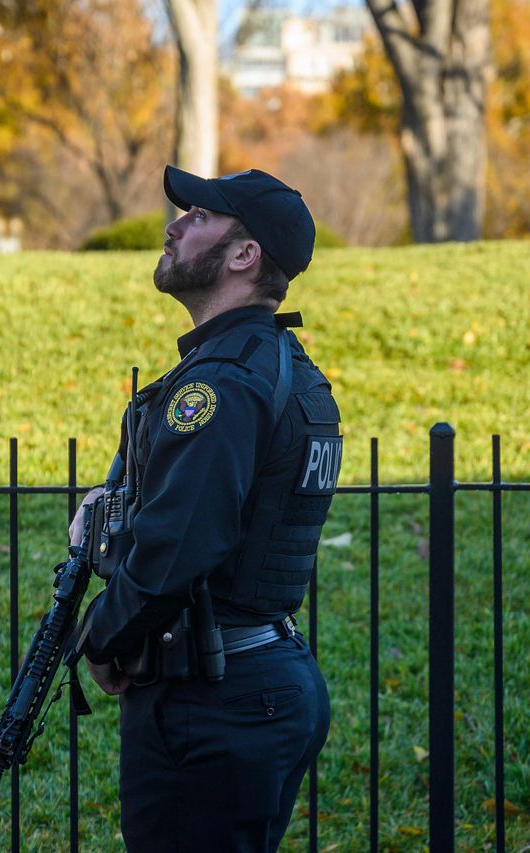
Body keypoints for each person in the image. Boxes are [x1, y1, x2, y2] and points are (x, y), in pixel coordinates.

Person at [69, 165, 341, 852]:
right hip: (263, 680)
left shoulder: (220, 386)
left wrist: (103, 635)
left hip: (214, 703)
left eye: (199, 217)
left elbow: (178, 547)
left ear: (244, 254)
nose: (175, 225)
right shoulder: (280, 363)